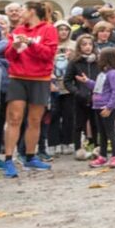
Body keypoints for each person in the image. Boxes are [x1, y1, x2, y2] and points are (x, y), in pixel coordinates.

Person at [2, 1, 59, 178]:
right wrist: (14, 47)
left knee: (35, 119)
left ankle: (30, 156)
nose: (20, 13)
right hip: (17, 77)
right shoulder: (17, 30)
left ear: (32, 11)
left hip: (40, 78)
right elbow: (9, 56)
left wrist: (31, 44)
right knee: (14, 117)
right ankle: (8, 159)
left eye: (23, 10)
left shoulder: (49, 29)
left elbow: (48, 54)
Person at [64, 34, 100, 160]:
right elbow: (67, 81)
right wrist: (77, 92)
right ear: (79, 46)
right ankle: (78, 148)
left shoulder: (98, 61)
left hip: (96, 98)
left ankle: (97, 146)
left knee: (96, 123)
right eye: (84, 44)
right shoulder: (74, 62)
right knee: (79, 124)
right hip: (80, 98)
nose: (87, 47)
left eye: (90, 44)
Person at [89, 47, 115, 169]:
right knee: (101, 133)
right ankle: (102, 156)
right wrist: (87, 81)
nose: (98, 58)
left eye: (100, 57)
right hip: (97, 106)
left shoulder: (113, 74)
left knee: (110, 132)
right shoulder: (102, 73)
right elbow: (98, 87)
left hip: (106, 107)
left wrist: (109, 107)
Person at [49, 20, 76, 156]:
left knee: (69, 115)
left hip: (69, 85)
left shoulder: (74, 45)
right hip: (53, 84)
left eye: (66, 29)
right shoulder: (49, 44)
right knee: (53, 114)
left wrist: (73, 57)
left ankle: (68, 142)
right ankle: (53, 142)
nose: (63, 32)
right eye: (60, 29)